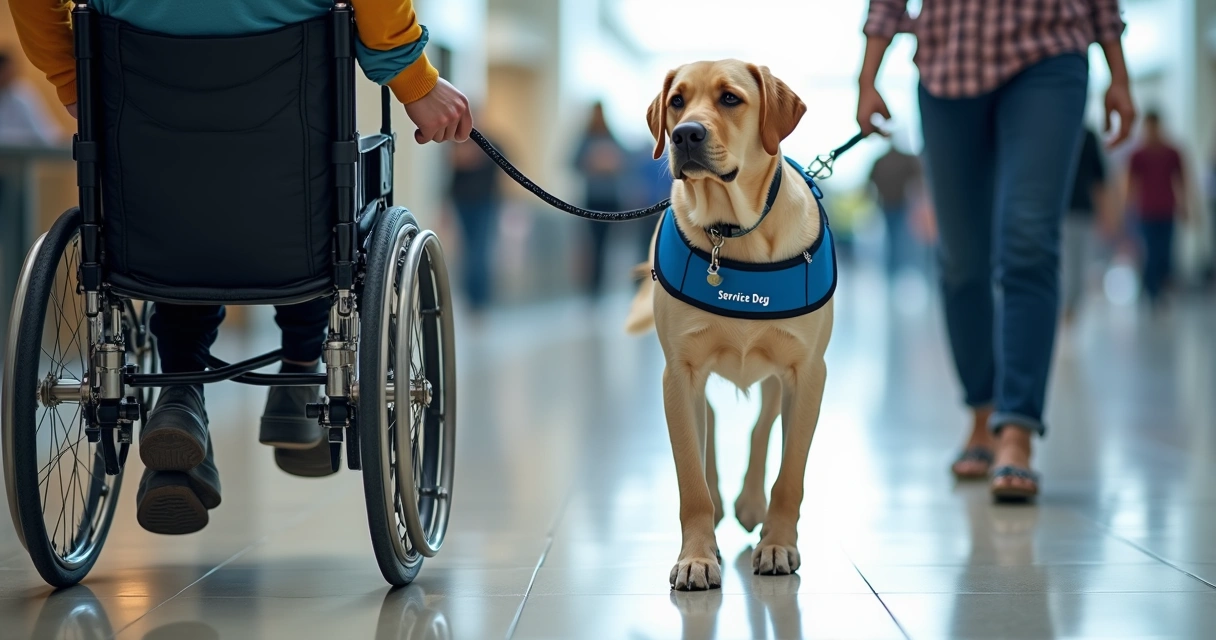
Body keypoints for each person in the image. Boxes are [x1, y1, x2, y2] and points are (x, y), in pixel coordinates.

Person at [11, 0, 474, 534]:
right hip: (294, 192)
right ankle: (301, 370)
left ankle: (180, 392)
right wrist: (414, 80)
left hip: (148, 179)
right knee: (312, 192)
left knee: (180, 195)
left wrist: (74, 78)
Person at [857, 0, 1135, 500]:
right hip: (949, 63)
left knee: (1028, 241)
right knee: (961, 259)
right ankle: (982, 414)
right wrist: (867, 74)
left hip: (1048, 51)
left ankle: (1017, 430)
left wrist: (1119, 72)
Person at [1126, 112, 1189, 307]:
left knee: (1166, 252)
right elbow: (1131, 183)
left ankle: (1162, 288)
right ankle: (1151, 291)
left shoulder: (1172, 153)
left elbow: (1182, 181)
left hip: (1167, 210)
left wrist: (1185, 206)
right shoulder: (1138, 155)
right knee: (1150, 252)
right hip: (1146, 211)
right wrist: (1128, 208)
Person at [573, 102, 627, 297]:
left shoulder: (612, 138)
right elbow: (572, 163)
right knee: (592, 244)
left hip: (611, 200)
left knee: (607, 244)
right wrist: (591, 163)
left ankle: (603, 284)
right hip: (592, 200)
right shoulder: (585, 139)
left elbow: (626, 162)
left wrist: (613, 163)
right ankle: (593, 286)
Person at [447, 126, 503, 314]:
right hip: (462, 202)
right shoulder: (456, 143)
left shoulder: (492, 143)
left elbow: (505, 166)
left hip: (486, 203)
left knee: (480, 251)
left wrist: (476, 157)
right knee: (469, 251)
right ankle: (472, 300)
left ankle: (479, 301)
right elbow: (451, 174)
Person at [1061, 126, 1112, 324]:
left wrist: (1107, 216)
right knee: (1065, 269)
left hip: (1082, 212)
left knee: (1078, 271)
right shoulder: (1049, 129)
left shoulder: (1089, 136)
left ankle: (1069, 316)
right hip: (1057, 213)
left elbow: (1099, 178)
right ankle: (1064, 316)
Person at [868, 141, 923, 279]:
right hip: (889, 206)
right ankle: (894, 271)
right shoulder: (884, 160)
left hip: (900, 205)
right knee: (896, 240)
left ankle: (897, 270)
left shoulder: (889, 160)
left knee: (899, 240)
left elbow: (918, 177)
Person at [0, 50, 60, 146]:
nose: (11, 74)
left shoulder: (22, 95)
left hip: (20, 158)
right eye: (6, 72)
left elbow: (45, 134)